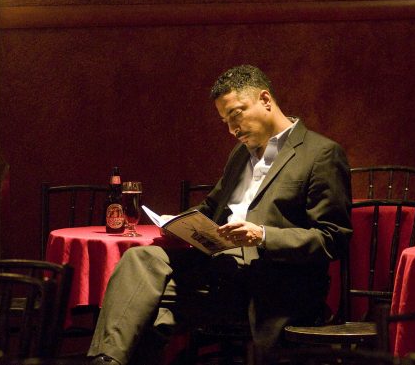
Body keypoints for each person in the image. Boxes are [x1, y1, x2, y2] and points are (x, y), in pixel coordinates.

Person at [88, 64, 352, 364]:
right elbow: (211, 209)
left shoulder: (321, 154)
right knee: (139, 258)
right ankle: (105, 361)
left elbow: (334, 239)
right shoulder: (240, 155)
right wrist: (177, 223)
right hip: (220, 270)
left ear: (265, 99)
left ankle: (106, 360)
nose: (231, 129)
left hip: (271, 279)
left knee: (155, 312)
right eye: (225, 121)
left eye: (235, 115)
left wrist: (262, 235)